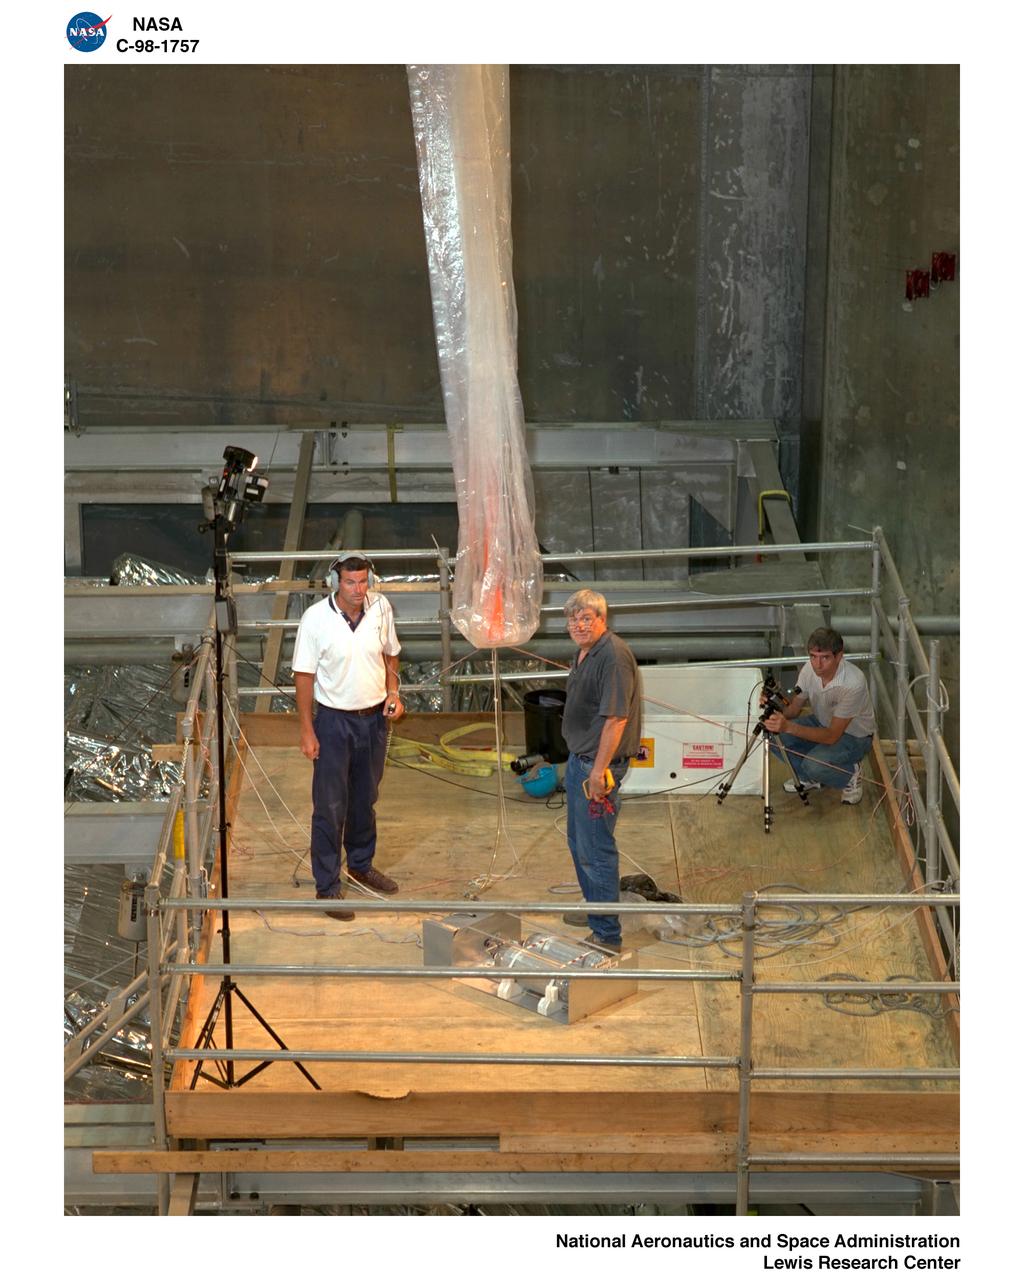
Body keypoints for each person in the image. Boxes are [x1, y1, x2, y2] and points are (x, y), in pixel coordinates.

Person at [292, 555, 404, 920]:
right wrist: (307, 730)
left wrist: (393, 693)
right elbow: (304, 676)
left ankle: (360, 865)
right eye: (350, 582)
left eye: (363, 581)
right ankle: (327, 886)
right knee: (330, 805)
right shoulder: (315, 619)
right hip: (333, 722)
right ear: (335, 583)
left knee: (364, 799)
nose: (358, 589)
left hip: (373, 722)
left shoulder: (381, 608)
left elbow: (391, 655)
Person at [559, 589, 642, 952]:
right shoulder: (585, 652)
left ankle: (607, 935)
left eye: (586, 618)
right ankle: (597, 910)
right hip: (580, 760)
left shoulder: (613, 657)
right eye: (573, 619)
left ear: (602, 620)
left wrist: (598, 772)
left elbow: (616, 719)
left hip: (596, 767)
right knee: (579, 844)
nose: (579, 625)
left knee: (595, 850)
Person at [762, 626, 875, 804]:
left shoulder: (853, 683)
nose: (818, 664)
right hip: (821, 722)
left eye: (825, 658)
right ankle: (812, 777)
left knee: (813, 764)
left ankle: (850, 774)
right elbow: (793, 709)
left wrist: (789, 727)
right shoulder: (809, 669)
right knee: (772, 737)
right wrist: (774, 702)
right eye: (813, 656)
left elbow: (831, 736)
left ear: (839, 656)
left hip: (855, 737)